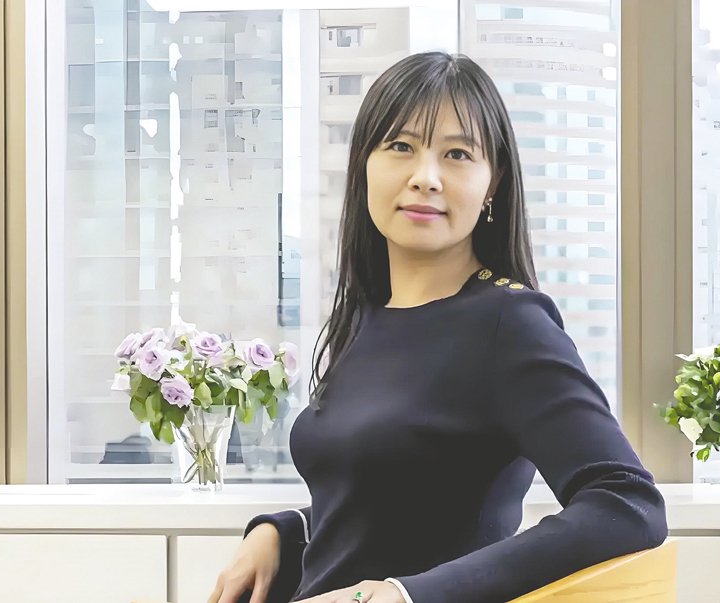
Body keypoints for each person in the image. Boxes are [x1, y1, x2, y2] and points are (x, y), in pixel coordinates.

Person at [209, 51, 668, 603]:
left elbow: (626, 502)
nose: (425, 178)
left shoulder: (510, 323)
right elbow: (388, 501)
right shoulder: (366, 316)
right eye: (401, 147)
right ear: (364, 164)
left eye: (457, 154)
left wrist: (407, 596)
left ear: (493, 182)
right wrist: (283, 531)